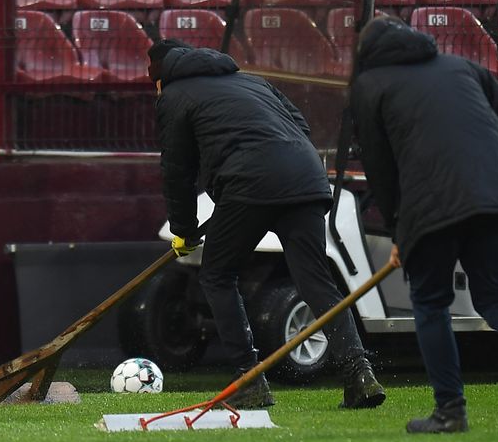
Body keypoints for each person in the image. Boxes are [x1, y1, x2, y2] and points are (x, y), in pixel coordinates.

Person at [350, 17, 498, 434]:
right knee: (495, 296)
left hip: (431, 204)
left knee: (431, 302)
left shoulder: (370, 85)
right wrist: (494, 175)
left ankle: (450, 410)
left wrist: (399, 229)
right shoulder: (460, 65)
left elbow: (380, 168)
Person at [149, 39, 386, 410]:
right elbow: (301, 127)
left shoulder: (173, 96)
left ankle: (249, 379)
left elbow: (177, 170)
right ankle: (359, 373)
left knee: (216, 275)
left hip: (249, 184)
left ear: (160, 77)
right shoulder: (253, 81)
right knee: (317, 283)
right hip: (305, 178)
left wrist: (183, 228)